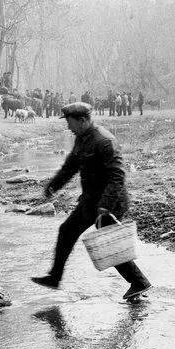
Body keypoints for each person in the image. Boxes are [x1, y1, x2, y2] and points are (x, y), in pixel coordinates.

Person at [31, 102, 151, 300]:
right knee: (67, 231)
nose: (68, 128)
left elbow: (117, 176)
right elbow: (70, 167)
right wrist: (53, 186)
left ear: (83, 120)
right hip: (90, 201)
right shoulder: (82, 139)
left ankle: (139, 282)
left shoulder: (104, 140)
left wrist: (106, 205)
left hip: (110, 203)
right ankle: (55, 277)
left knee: (108, 243)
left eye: (70, 123)